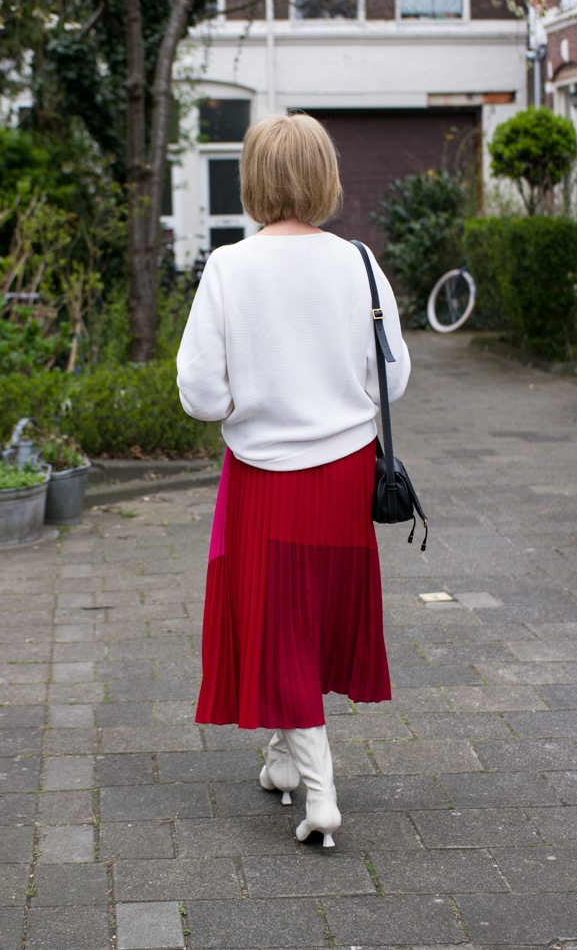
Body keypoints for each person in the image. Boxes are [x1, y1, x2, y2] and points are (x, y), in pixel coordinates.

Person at [177, 112, 410, 847]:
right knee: (306, 618)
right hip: (343, 476)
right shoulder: (360, 263)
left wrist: (252, 399)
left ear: (253, 179)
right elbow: (394, 377)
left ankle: (320, 793)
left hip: (265, 475)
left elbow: (199, 394)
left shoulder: (229, 266)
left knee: (277, 624)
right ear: (323, 177)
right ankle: (282, 763)